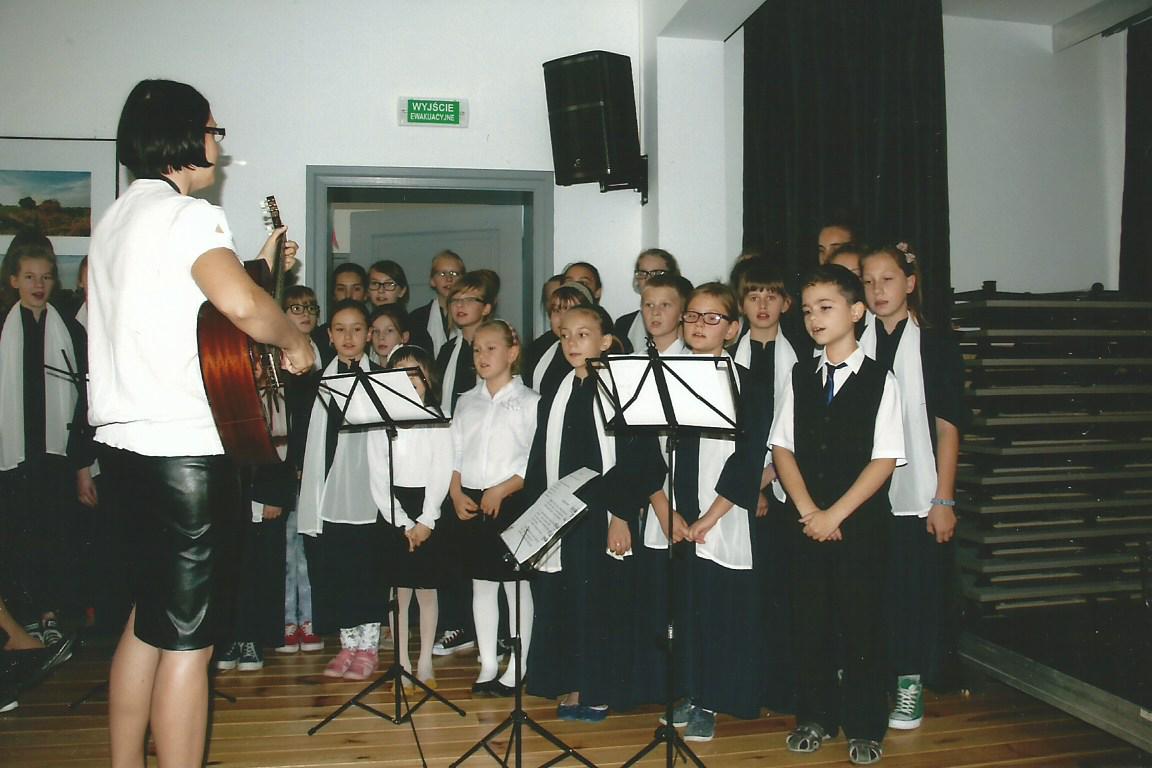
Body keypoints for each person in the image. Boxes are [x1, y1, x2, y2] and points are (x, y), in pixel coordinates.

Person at [88, 79, 314, 768]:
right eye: (213, 130)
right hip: (183, 454)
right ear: (183, 135)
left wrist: (260, 268)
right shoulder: (188, 215)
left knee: (147, 621)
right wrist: (294, 341)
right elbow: (240, 307)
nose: (219, 143)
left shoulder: (115, 219)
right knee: (190, 642)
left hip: (123, 452)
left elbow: (188, 308)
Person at [770, 264, 904, 766]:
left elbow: (884, 460)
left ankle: (865, 723)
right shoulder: (800, 376)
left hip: (860, 526)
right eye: (807, 310)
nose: (814, 318)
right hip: (807, 523)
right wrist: (809, 510)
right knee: (810, 621)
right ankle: (816, 716)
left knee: (862, 624)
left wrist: (836, 515)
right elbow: (782, 447)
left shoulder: (880, 380)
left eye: (825, 307)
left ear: (856, 311)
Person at [524, 305, 661, 722]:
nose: (571, 343)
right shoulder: (558, 391)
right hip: (563, 516)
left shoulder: (623, 389)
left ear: (605, 342)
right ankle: (575, 681)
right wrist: (536, 519)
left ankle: (599, 689)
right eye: (565, 335)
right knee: (567, 602)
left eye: (583, 335)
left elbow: (642, 461)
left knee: (602, 604)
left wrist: (621, 515)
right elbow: (540, 458)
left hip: (604, 516)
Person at [648, 283, 770, 741]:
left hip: (719, 513)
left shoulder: (749, 385)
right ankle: (687, 690)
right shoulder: (659, 378)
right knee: (680, 608)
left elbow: (747, 459)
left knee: (717, 608)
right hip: (672, 513)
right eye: (693, 316)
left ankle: (710, 700)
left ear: (732, 329)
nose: (699, 325)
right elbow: (643, 450)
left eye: (712, 318)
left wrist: (710, 517)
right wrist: (664, 508)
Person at [859, 243, 968, 731]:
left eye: (887, 279)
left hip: (915, 489)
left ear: (910, 283)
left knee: (910, 591)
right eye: (868, 282)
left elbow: (947, 426)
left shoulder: (935, 343)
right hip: (862, 490)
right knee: (870, 590)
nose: (878, 290)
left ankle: (909, 684)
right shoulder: (852, 341)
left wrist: (943, 498)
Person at [0, 233, 95, 647]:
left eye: (46, 277)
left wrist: (82, 466)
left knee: (57, 538)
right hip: (11, 458)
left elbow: (84, 403)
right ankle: (24, 620)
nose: (38, 285)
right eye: (29, 277)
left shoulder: (71, 331)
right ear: (13, 281)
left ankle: (51, 614)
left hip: (57, 456)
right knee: (17, 540)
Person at [297, 300, 390, 681]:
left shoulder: (384, 378)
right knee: (336, 570)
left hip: (370, 493)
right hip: (329, 491)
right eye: (340, 329)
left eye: (356, 329)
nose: (348, 337)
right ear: (329, 335)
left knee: (367, 570)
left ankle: (368, 647)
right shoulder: (316, 380)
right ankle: (347, 645)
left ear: (368, 334)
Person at [447, 319, 539, 696]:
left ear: (512, 353)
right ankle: (487, 662)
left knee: (515, 585)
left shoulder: (530, 401)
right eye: (477, 349)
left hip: (511, 499)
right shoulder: (466, 401)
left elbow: (534, 458)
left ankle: (519, 663)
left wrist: (502, 489)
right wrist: (455, 492)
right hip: (471, 499)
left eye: (491, 348)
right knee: (481, 583)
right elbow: (454, 451)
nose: (482, 356)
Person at [728, 259, 799, 712]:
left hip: (780, 486)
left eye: (771, 295)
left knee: (777, 589)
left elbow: (794, 430)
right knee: (741, 592)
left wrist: (767, 476)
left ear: (786, 303)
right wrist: (747, 484)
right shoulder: (728, 357)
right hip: (734, 487)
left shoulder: (800, 358)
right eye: (753, 295)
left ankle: (777, 687)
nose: (762, 304)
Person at [369, 345, 451, 688]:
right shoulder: (381, 421)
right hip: (394, 511)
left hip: (427, 506)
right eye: (399, 374)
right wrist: (402, 522)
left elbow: (441, 470)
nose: (408, 380)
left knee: (426, 590)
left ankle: (425, 660)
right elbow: (378, 476)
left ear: (428, 378)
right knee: (399, 590)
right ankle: (401, 659)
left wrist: (426, 520)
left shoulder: (437, 418)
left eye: (415, 373)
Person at [274, 285, 323, 655]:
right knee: (288, 550)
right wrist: (293, 465)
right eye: (295, 308)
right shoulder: (277, 360)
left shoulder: (323, 357)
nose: (305, 314)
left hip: (314, 467)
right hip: (287, 468)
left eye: (310, 307)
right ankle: (287, 620)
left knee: (308, 551)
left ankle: (309, 619)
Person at [434, 271, 496, 416]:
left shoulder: (496, 348)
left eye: (469, 300)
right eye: (455, 300)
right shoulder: (447, 350)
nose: (460, 305)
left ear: (486, 308)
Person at [521, 281, 594, 392]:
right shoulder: (538, 349)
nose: (563, 318)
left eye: (571, 310)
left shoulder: (595, 353)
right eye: (556, 310)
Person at [614, 248, 679, 353]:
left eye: (657, 273)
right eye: (643, 273)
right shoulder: (624, 324)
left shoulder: (687, 321)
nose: (649, 279)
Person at [410, 250, 466, 358]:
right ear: (432, 280)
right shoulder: (416, 318)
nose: (449, 279)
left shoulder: (472, 317)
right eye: (442, 273)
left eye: (454, 274)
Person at [313, 263, 368, 365]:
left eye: (356, 289)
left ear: (366, 294)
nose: (348, 295)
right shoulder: (319, 337)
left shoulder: (378, 334)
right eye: (341, 289)